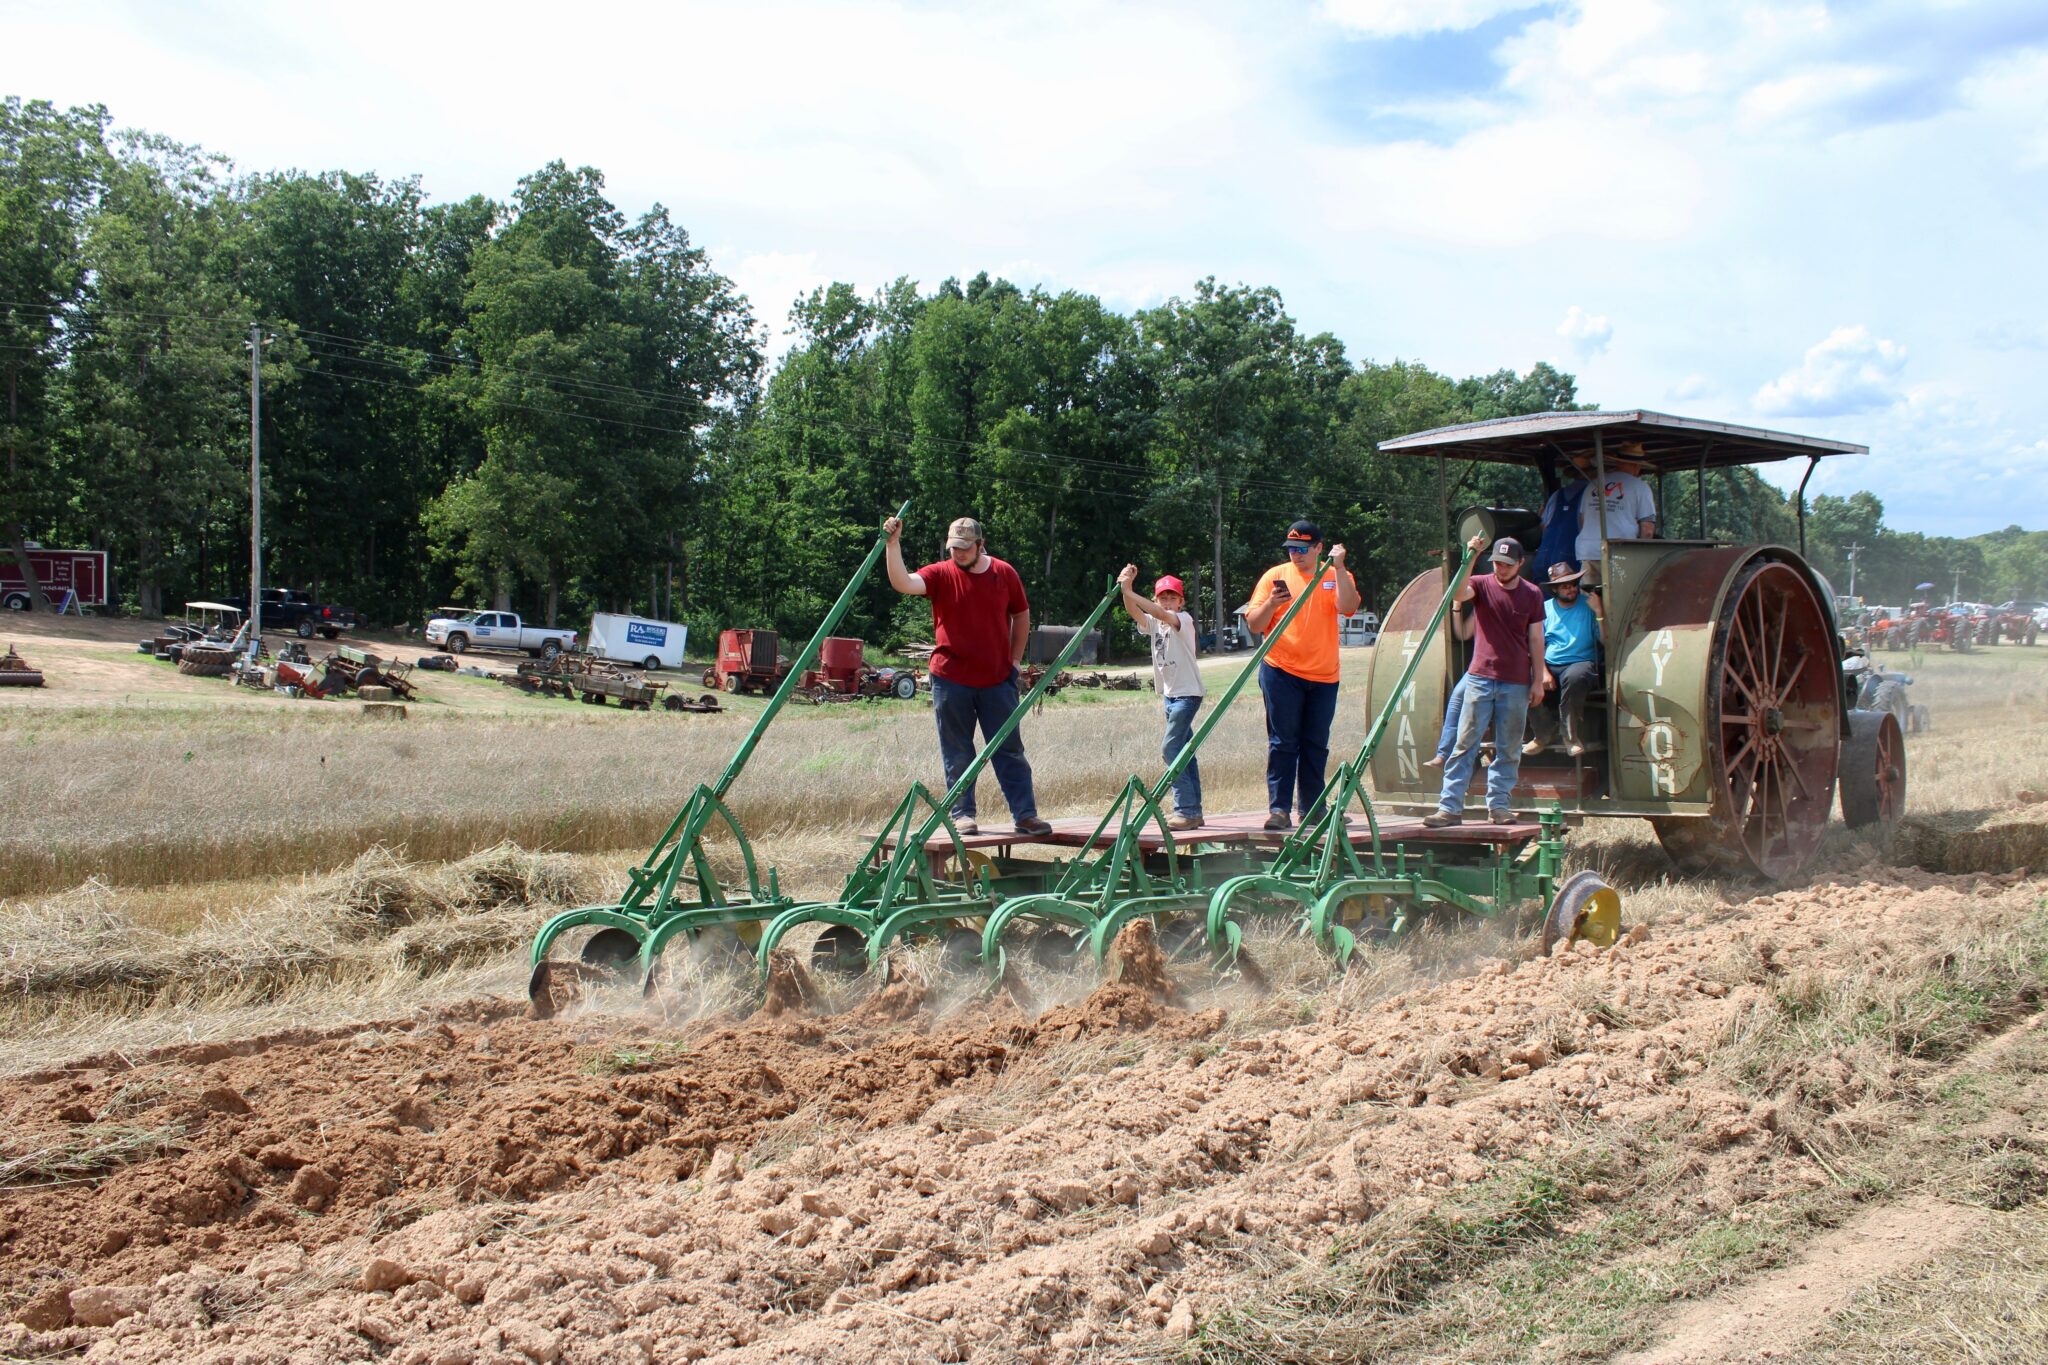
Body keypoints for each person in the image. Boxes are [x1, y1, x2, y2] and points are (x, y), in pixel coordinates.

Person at [884, 514, 1050, 837]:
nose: (957, 554)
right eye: (953, 548)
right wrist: (893, 544)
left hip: (997, 681)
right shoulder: (941, 574)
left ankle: (1026, 815)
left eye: (964, 548)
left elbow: (1021, 613)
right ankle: (962, 815)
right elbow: (902, 582)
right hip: (951, 679)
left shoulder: (1004, 574)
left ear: (980, 545)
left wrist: (1015, 661)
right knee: (958, 751)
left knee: (1009, 749)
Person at [1244, 519, 1361, 830]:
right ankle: (1279, 810)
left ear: (1319, 548)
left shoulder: (1335, 576)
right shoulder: (1275, 576)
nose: (1295, 554)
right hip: (1281, 670)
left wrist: (1338, 567)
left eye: (1302, 548)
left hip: (1324, 676)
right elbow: (1254, 624)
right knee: (1283, 742)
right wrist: (1271, 603)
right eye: (1291, 549)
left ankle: (1313, 809)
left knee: (1316, 744)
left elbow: (1349, 607)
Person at [1425, 535, 1546, 828]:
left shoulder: (1532, 594)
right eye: (1496, 563)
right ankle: (1449, 808)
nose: (1500, 569)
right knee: (1465, 744)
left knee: (1508, 747)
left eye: (1506, 564)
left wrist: (1537, 680)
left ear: (1520, 563)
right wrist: (1471, 556)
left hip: (1515, 682)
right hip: (1480, 678)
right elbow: (1456, 593)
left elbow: (1536, 638)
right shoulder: (1480, 583)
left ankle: (1500, 807)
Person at [1119, 565, 1204, 830]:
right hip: (1170, 696)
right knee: (1184, 753)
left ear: (1181, 602)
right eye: (1162, 598)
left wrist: (1128, 590)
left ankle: (1186, 810)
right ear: (1157, 599)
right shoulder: (1155, 623)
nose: (1167, 603)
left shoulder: (1183, 620)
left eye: (1172, 598)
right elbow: (1134, 611)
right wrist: (1127, 589)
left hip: (1187, 694)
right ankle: (1195, 812)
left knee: (1170, 749)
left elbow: (1156, 612)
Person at [1523, 562, 1603, 757]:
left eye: (1574, 584)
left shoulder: (1589, 605)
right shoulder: (1544, 609)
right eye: (1565, 586)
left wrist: (1600, 612)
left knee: (1575, 676)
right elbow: (1536, 643)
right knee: (1523, 678)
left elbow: (1605, 640)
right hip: (1550, 664)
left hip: (1581, 662)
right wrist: (1543, 672)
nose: (1572, 589)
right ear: (1554, 589)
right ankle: (1543, 734)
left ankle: (1570, 736)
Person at [1570, 441, 1657, 585]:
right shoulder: (1641, 487)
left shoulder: (1593, 484)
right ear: (1637, 466)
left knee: (1591, 598)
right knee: (1619, 600)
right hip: (1619, 552)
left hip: (1588, 550)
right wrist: (1641, 558)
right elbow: (1647, 530)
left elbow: (1583, 521)